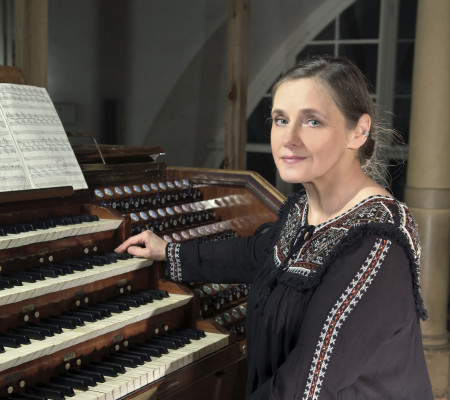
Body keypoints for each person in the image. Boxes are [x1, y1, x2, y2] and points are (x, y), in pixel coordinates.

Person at [115, 55, 433, 399]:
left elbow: (305, 387)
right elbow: (260, 254)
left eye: (312, 121)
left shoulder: (377, 242)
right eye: (281, 120)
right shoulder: (303, 211)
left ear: (358, 131)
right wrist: (169, 252)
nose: (289, 138)